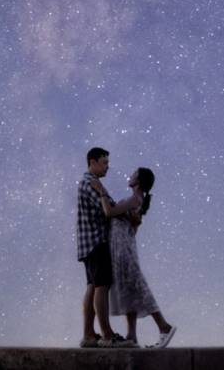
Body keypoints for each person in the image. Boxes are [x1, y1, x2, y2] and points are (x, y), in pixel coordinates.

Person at [91, 167, 177, 349]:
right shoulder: (138, 200)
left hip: (122, 248)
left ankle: (164, 326)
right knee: (130, 288)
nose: (129, 176)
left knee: (137, 286)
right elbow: (133, 227)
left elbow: (109, 212)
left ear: (138, 180)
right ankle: (132, 336)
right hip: (124, 246)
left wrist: (102, 192)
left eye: (133, 174)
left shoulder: (134, 199)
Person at [77, 147, 135, 348]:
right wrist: (128, 210)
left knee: (93, 286)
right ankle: (107, 335)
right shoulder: (91, 184)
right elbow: (108, 210)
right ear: (92, 162)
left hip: (89, 244)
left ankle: (89, 335)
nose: (107, 167)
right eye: (104, 162)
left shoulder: (91, 183)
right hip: (97, 241)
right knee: (102, 286)